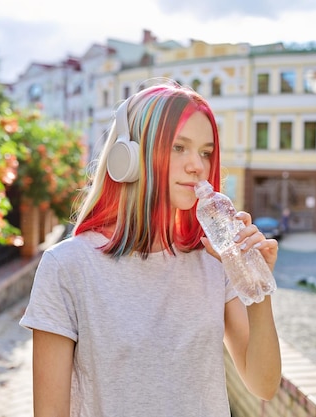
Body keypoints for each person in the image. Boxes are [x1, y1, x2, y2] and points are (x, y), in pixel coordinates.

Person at [19, 81, 281, 416]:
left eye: (205, 152)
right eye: (178, 147)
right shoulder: (68, 267)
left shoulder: (215, 259)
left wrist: (257, 285)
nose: (198, 166)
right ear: (127, 156)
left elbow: (264, 384)